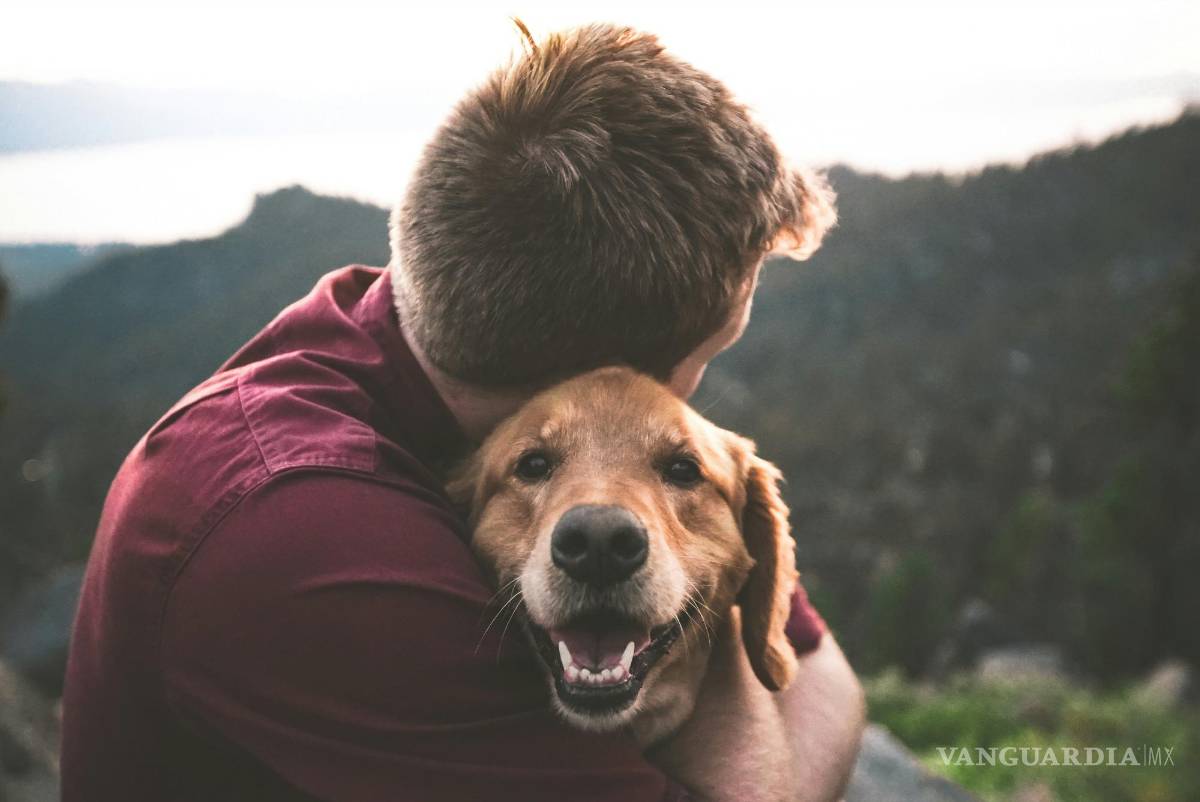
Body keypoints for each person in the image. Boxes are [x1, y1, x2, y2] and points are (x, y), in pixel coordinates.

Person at [61, 22, 863, 802]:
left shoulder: (404, 329)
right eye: (706, 359)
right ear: (603, 374)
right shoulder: (308, 538)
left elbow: (821, 672)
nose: (676, 404)